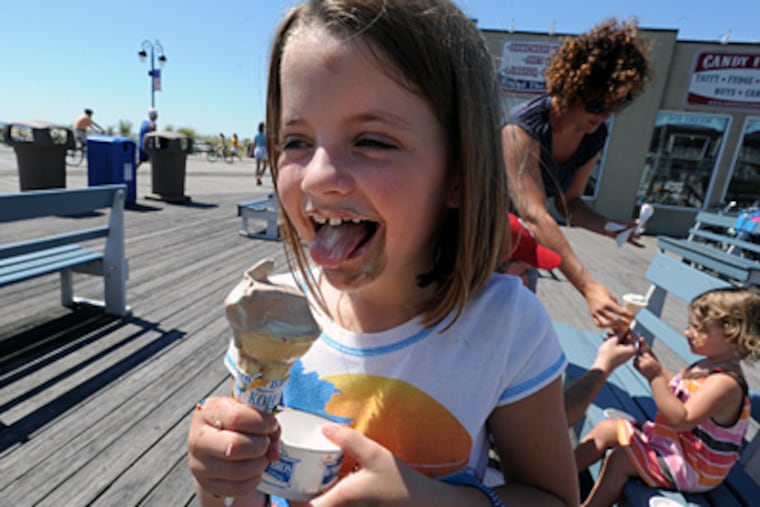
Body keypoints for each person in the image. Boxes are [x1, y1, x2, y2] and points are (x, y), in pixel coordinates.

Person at [187, 1, 579, 507]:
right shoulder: (273, 312)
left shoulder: (505, 327)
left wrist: (430, 500)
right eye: (297, 141)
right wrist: (215, 481)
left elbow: (556, 499)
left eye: (372, 140)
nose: (317, 177)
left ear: (459, 173)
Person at [502, 19, 653, 329]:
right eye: (597, 103)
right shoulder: (522, 128)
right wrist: (588, 287)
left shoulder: (593, 135)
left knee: (514, 333)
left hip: (522, 248)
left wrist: (610, 227)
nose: (604, 115)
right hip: (476, 243)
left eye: (616, 104)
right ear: (571, 86)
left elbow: (569, 203)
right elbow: (534, 214)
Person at [575, 288, 760, 506]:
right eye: (689, 325)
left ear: (734, 336)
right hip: (675, 443)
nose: (687, 332)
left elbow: (681, 420)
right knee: (607, 429)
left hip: (694, 467)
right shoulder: (708, 364)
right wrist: (653, 364)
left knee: (621, 459)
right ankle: (558, 479)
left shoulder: (724, 383)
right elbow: (681, 388)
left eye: (698, 328)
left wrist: (655, 377)